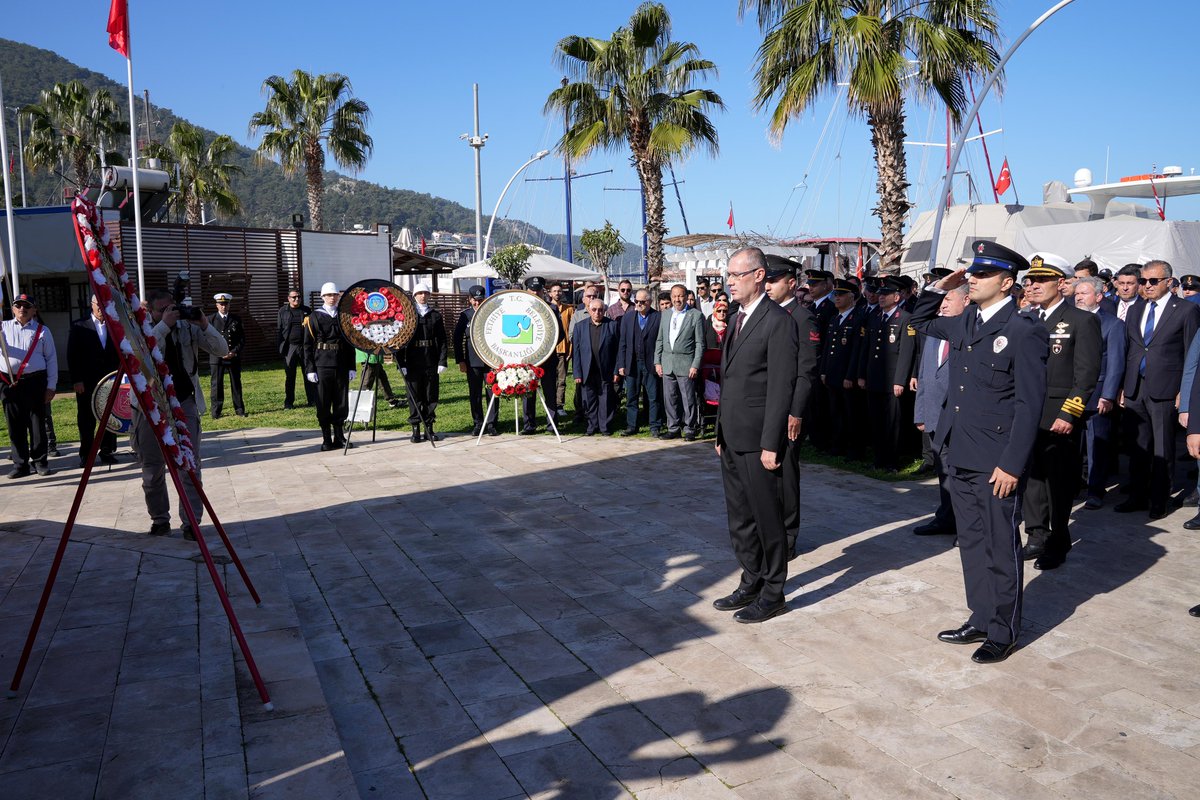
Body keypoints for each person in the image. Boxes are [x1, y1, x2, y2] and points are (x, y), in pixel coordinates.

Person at [910, 242, 1048, 664]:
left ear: (1007, 283)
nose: (973, 277)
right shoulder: (964, 319)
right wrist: (943, 284)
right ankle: (981, 617)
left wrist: (1011, 463)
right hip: (959, 450)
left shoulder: (1024, 330)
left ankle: (1004, 630)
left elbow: (1029, 404)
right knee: (970, 541)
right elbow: (917, 319)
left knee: (1000, 545)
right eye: (971, 272)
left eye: (983, 274)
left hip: (996, 461)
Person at [712, 247, 798, 623]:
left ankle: (774, 590)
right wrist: (719, 431)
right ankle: (751, 579)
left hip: (759, 440)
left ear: (759, 276)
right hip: (732, 435)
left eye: (736, 274)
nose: (729, 281)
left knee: (766, 517)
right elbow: (731, 380)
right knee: (740, 516)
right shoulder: (736, 318)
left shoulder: (778, 321)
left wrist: (770, 443)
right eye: (728, 275)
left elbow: (781, 386)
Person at [1018, 253, 1101, 571]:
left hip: (1058, 413)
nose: (1033, 285)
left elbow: (1087, 374)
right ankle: (1036, 534)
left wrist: (1069, 413)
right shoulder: (1025, 319)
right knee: (1031, 477)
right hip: (1026, 412)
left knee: (1058, 480)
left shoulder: (1082, 320)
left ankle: (1058, 540)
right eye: (1030, 279)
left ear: (1061, 283)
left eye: (1041, 280)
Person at [135, 289, 228, 537]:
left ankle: (191, 523)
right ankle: (159, 519)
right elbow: (142, 356)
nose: (170, 313)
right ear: (151, 312)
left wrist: (205, 324)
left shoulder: (187, 328)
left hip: (184, 401)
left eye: (172, 308)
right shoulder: (141, 327)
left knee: (190, 465)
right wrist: (164, 326)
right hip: (150, 404)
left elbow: (221, 349)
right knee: (152, 468)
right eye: (163, 309)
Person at [1118, 259, 1200, 518]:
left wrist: (1182, 393)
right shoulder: (1136, 310)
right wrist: (1123, 386)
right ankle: (1137, 496)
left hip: (1166, 388)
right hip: (1135, 387)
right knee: (1138, 446)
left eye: (1153, 281)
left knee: (1163, 448)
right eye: (1144, 281)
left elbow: (1191, 354)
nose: (1147, 286)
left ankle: (1159, 499)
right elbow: (1131, 349)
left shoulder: (1185, 310)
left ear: (1168, 282)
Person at [764, 257, 818, 558]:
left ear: (791, 283)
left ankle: (788, 536)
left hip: (788, 411)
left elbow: (806, 371)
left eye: (774, 281)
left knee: (785, 475)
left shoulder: (802, 317)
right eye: (766, 281)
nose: (768, 286)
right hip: (766, 408)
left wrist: (796, 412)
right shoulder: (767, 315)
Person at [908, 284, 970, 537]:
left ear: (966, 300)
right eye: (941, 299)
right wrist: (921, 412)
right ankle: (946, 518)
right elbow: (925, 373)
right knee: (943, 470)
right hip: (935, 411)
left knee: (961, 473)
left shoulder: (972, 329)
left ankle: (965, 525)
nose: (942, 304)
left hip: (960, 414)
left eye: (948, 299)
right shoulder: (936, 329)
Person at [1074, 276, 1126, 510]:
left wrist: (1108, 395)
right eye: (1077, 293)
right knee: (1072, 445)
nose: (1078, 297)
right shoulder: (1069, 320)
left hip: (1097, 395)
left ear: (1098, 296)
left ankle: (1095, 491)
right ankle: (1073, 485)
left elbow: (1115, 363)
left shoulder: (1112, 324)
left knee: (1097, 445)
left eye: (1084, 293)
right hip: (1070, 395)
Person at [855, 276, 910, 471]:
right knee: (876, 420)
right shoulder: (874, 317)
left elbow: (905, 353)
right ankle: (878, 459)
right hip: (874, 378)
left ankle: (891, 461)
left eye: (886, 295)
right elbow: (866, 348)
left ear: (896, 297)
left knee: (892, 422)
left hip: (892, 379)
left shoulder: (904, 318)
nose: (881, 298)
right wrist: (862, 374)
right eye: (880, 294)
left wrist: (900, 380)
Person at [1, 293, 58, 478]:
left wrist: (51, 386)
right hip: (9, 382)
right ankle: (20, 464)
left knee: (37, 424)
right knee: (14, 425)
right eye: (18, 305)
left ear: (34, 310)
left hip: (35, 382)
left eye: (26, 306)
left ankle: (40, 462)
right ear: (13, 309)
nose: (22, 309)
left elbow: (51, 359)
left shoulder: (43, 331)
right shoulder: (3, 328)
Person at [67, 294, 120, 467]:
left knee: (109, 417)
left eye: (105, 304)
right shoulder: (78, 326)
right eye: (98, 304)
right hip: (87, 382)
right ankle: (86, 454)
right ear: (92, 304)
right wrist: (77, 380)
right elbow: (72, 355)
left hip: (110, 380)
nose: (101, 307)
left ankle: (107, 451)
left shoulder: (115, 325)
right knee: (86, 418)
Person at [304, 282, 356, 451]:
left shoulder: (343, 316)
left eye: (334, 295)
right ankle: (327, 438)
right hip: (322, 363)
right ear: (322, 297)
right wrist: (310, 369)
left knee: (341, 401)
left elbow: (349, 343)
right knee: (323, 401)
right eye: (328, 295)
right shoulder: (314, 317)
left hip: (340, 363)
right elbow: (307, 345)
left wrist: (351, 366)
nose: (332, 298)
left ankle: (339, 436)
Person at [396, 281, 447, 442]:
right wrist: (401, 363)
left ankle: (429, 428)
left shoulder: (435, 315)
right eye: (420, 293)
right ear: (414, 296)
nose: (423, 296)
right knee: (414, 395)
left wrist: (442, 361)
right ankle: (416, 428)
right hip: (413, 360)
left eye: (425, 293)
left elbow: (442, 340)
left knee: (430, 394)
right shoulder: (408, 315)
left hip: (430, 358)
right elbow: (400, 340)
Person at [819, 279, 865, 458]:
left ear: (851, 297)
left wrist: (850, 375)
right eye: (835, 295)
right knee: (835, 412)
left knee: (851, 414)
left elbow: (856, 351)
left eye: (841, 295)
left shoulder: (857, 319)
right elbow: (827, 348)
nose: (836, 298)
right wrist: (823, 370)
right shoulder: (834, 319)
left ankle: (853, 450)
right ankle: (837, 446)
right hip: (832, 374)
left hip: (847, 376)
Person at [654, 284, 706, 441]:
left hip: (686, 364)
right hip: (667, 362)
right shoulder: (665, 315)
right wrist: (657, 361)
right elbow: (660, 339)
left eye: (680, 296)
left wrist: (695, 364)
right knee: (669, 398)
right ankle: (673, 428)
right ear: (671, 297)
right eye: (674, 296)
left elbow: (700, 344)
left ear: (686, 296)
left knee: (688, 399)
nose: (677, 299)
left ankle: (690, 428)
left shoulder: (695, 315)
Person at [616, 288, 663, 436]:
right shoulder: (628, 318)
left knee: (653, 396)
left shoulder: (658, 317)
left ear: (649, 302)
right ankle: (632, 426)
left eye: (642, 302)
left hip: (650, 362)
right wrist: (621, 364)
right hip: (632, 362)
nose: (638, 304)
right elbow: (622, 342)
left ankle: (655, 426)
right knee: (632, 396)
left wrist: (658, 362)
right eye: (636, 301)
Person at [454, 285, 499, 436]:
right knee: (475, 394)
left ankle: (492, 423)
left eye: (480, 300)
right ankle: (478, 423)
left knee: (493, 392)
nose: (477, 303)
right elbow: (457, 338)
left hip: (490, 362)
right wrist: (460, 360)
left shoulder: (492, 314)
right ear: (469, 299)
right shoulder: (465, 315)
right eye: (474, 300)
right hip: (472, 361)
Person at [573, 298, 620, 434]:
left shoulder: (612, 325)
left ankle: (605, 427)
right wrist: (577, 373)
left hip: (606, 370)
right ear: (589, 310)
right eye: (594, 310)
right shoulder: (580, 327)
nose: (597, 312)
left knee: (605, 399)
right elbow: (576, 352)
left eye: (600, 310)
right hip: (587, 370)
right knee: (589, 399)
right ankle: (591, 426)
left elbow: (617, 350)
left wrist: (616, 370)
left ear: (604, 311)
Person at [208, 293, 245, 418]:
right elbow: (207, 339)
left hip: (232, 356)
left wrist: (234, 352)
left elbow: (242, 339)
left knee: (236, 383)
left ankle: (239, 409)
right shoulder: (210, 319)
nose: (224, 307)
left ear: (229, 305)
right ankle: (216, 412)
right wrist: (219, 352)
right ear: (217, 305)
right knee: (216, 385)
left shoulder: (236, 319)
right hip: (216, 357)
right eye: (221, 304)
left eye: (226, 304)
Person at [277, 289, 316, 409]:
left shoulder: (306, 310)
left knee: (308, 374)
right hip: (290, 347)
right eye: (293, 297)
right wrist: (280, 347)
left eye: (298, 297)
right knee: (290, 376)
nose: (296, 299)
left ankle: (312, 400)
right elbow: (279, 330)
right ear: (288, 299)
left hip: (304, 347)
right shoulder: (283, 311)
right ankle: (289, 402)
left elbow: (312, 328)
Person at [548, 283, 574, 417]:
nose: (557, 293)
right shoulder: (546, 308)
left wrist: (570, 349)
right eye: (554, 291)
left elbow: (570, 330)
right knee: (551, 380)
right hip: (550, 350)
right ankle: (550, 405)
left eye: (559, 291)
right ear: (550, 293)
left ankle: (559, 405)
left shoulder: (568, 309)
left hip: (563, 348)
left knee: (562, 379)